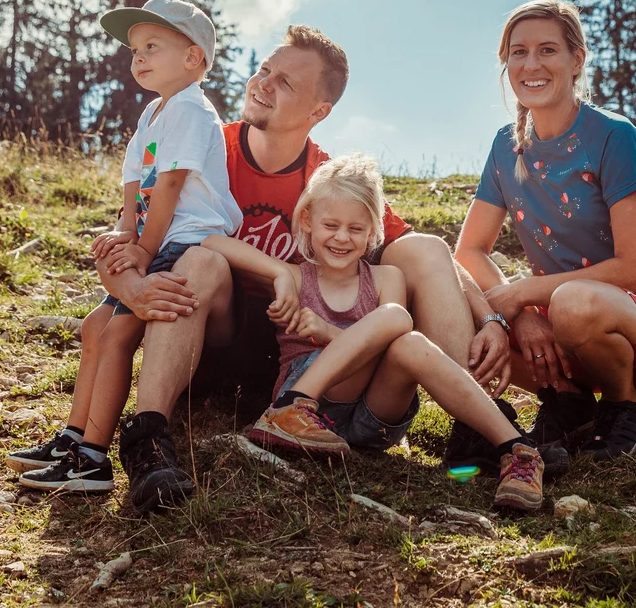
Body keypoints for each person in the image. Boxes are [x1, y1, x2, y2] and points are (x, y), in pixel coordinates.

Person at [20, 25, 519, 515]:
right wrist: (131, 286)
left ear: (318, 111)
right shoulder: (207, 143)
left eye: (285, 82)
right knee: (202, 257)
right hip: (209, 337)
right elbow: (131, 235)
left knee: (424, 246)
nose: (262, 83)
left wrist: (490, 317)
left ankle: (478, 425)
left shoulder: (324, 180)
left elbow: (430, 254)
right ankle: (149, 439)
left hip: (302, 354)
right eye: (264, 69)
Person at [203, 153, 546, 511]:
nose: (341, 238)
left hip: (373, 418)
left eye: (355, 229)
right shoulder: (294, 276)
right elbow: (212, 243)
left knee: (406, 336)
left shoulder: (386, 278)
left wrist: (326, 331)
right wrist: (275, 274)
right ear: (306, 221)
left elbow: (387, 349)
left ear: (373, 231)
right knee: (395, 319)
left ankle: (517, 450)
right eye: (330, 225)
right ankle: (290, 408)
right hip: (318, 398)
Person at [4, 0, 240, 494]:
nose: (138, 58)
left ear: (194, 57)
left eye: (152, 46)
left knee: (116, 337)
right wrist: (124, 235)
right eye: (134, 50)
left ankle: (93, 458)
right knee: (95, 327)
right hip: (155, 238)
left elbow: (171, 188)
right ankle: (73, 437)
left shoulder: (194, 112)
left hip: (185, 241)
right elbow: (135, 185)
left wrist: (143, 250)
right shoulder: (151, 115)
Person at [452, 0, 636, 460]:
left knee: (571, 302)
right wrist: (521, 315)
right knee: (458, 305)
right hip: (561, 323)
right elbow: (469, 253)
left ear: (576, 60)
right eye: (518, 52)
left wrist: (530, 292)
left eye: (547, 50)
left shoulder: (613, 136)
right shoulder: (506, 147)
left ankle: (625, 407)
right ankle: (569, 402)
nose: (531, 64)